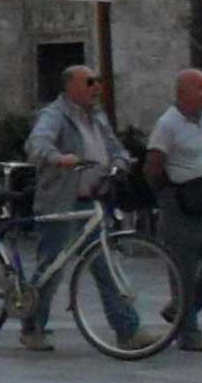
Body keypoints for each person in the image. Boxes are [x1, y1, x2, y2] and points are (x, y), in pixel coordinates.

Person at [19, 61, 134, 351]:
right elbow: (37, 144)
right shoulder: (54, 115)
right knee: (52, 268)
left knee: (106, 266)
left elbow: (114, 147)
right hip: (62, 203)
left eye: (97, 82)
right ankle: (33, 326)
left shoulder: (97, 117)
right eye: (89, 82)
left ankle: (128, 330)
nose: (96, 87)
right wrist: (59, 158)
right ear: (70, 86)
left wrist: (120, 162)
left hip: (91, 203)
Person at [145, 66, 202, 354]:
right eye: (200, 87)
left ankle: (181, 309)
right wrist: (169, 195)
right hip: (183, 202)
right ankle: (189, 332)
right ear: (182, 92)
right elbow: (153, 165)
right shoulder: (168, 124)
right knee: (183, 269)